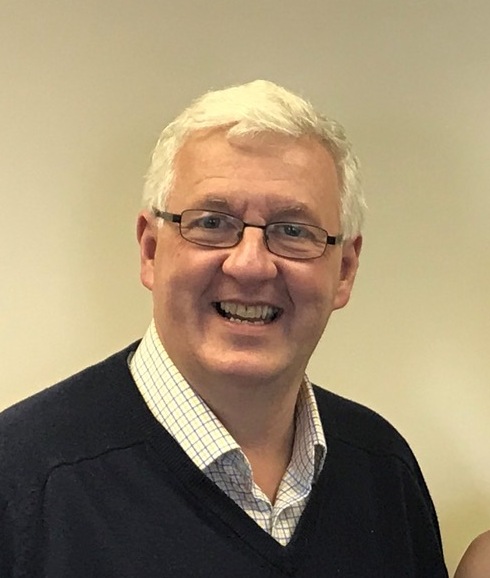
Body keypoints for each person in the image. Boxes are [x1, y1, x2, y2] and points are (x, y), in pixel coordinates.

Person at [0, 80, 448, 577]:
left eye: (293, 231)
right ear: (151, 250)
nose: (250, 265)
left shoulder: (384, 472)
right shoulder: (21, 481)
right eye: (212, 223)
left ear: (344, 270)